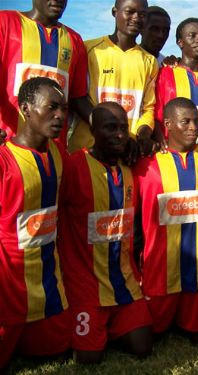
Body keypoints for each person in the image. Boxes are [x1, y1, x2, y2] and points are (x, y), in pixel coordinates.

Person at [58, 102, 152, 363]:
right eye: (111, 128)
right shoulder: (73, 165)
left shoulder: (130, 165)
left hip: (125, 281)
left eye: (124, 127)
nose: (120, 135)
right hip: (85, 285)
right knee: (89, 358)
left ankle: (112, 324)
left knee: (143, 348)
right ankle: (94, 326)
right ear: (93, 129)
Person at [133, 97, 198, 342]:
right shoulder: (145, 163)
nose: (194, 127)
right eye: (186, 122)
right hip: (159, 271)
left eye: (196, 121)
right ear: (168, 124)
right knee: (152, 336)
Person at [0, 77, 70, 370]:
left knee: (60, 351)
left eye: (63, 108)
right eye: (51, 107)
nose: (60, 116)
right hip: (8, 283)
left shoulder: (58, 153)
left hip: (48, 283)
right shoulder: (4, 159)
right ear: (26, 109)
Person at [69, 0, 158, 156]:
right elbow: (78, 97)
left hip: (126, 150)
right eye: (130, 12)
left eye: (142, 14)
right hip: (87, 148)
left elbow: (148, 108)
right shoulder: (89, 49)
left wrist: (141, 135)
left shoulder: (149, 61)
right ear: (114, 12)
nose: (136, 18)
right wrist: (105, 130)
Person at [0, 0, 89, 146]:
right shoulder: (5, 22)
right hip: (7, 147)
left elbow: (78, 98)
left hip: (54, 153)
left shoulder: (75, 40)